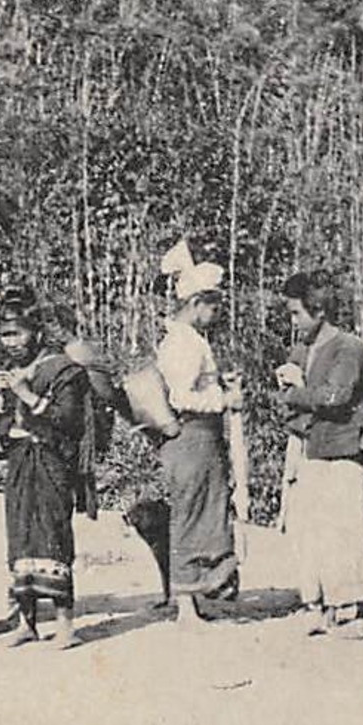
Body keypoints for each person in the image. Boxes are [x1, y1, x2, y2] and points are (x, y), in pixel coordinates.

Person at [0, 294, 95, 649]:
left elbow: (68, 420)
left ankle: (65, 624)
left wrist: (27, 395)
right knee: (20, 536)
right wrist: (2, 401)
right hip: (21, 461)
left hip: (51, 462)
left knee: (53, 535)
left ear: (35, 332)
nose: (11, 342)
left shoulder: (63, 369)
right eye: (4, 335)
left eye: (17, 333)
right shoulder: (10, 372)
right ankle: (26, 622)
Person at [275, 272, 363, 637]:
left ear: (318, 311)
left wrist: (297, 390)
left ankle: (362, 614)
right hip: (313, 449)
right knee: (312, 533)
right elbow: (299, 405)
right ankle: (322, 608)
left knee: (347, 532)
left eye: (296, 314)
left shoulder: (349, 348)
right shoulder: (303, 351)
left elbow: (335, 396)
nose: (292, 322)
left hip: (345, 449)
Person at [155, 239, 244, 627]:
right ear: (195, 304)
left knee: (206, 510)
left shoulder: (191, 340)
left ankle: (196, 596)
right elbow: (180, 396)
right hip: (192, 438)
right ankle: (186, 604)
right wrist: (224, 399)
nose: (215, 313)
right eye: (212, 305)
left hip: (201, 440)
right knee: (192, 514)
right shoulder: (183, 342)